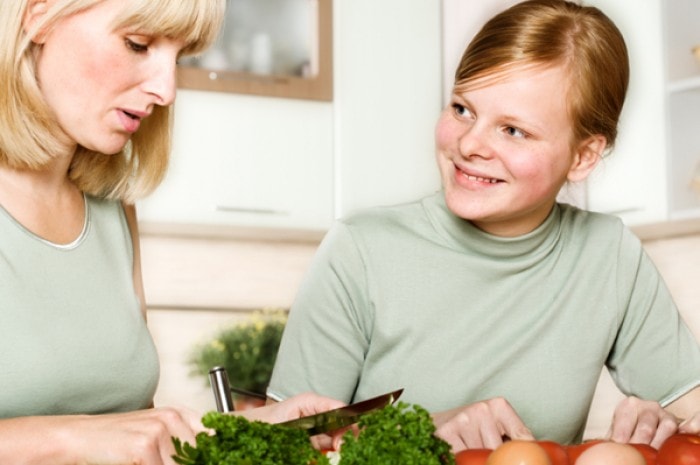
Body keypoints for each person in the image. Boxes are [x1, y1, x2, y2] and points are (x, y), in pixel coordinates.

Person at [267, 0, 700, 453]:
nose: (470, 143)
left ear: (583, 156)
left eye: (513, 130)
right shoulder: (359, 250)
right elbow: (280, 447)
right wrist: (424, 430)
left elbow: (693, 410)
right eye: (462, 109)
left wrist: (665, 421)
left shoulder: (609, 256)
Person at [0, 1, 346, 464]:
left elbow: (135, 431)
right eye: (137, 44)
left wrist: (263, 426)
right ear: (39, 13)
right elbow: (96, 438)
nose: (166, 90)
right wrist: (68, 440)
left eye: (180, 59)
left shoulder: (112, 208)